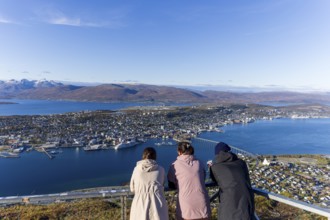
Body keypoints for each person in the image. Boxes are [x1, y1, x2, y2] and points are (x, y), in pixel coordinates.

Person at [210, 142, 256, 220]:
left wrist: (210, 168)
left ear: (217, 154)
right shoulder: (242, 163)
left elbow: (214, 179)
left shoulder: (215, 167)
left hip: (228, 200)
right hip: (246, 199)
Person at [167, 141, 211, 220]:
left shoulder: (175, 165)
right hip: (203, 203)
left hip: (186, 205)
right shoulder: (199, 163)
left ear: (179, 152)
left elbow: (171, 183)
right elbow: (203, 178)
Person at [130, 147, 169, 220]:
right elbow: (163, 184)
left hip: (140, 203)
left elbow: (132, 188)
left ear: (143, 156)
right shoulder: (161, 169)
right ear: (155, 157)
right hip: (157, 203)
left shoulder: (137, 169)